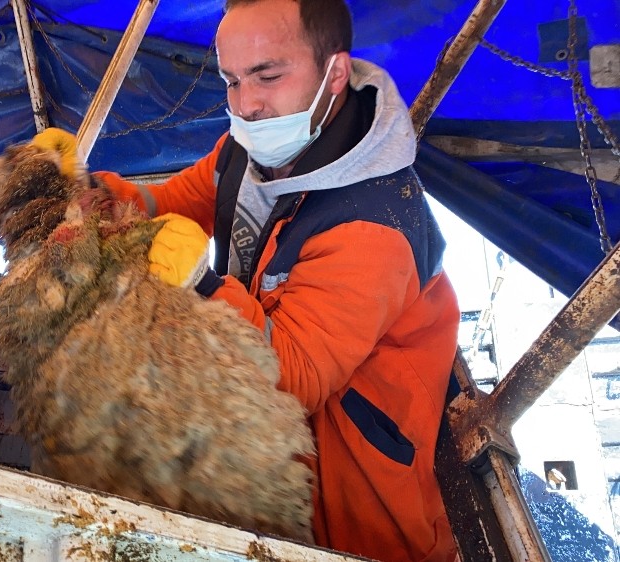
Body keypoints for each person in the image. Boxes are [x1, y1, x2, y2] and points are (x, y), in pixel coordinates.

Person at [34, 0, 460, 560]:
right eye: (232, 80)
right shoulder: (246, 149)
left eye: (268, 75)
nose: (247, 105)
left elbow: (296, 375)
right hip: (259, 451)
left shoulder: (372, 222)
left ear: (333, 73)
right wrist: (93, 189)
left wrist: (202, 284)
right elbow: (171, 201)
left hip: (348, 497)